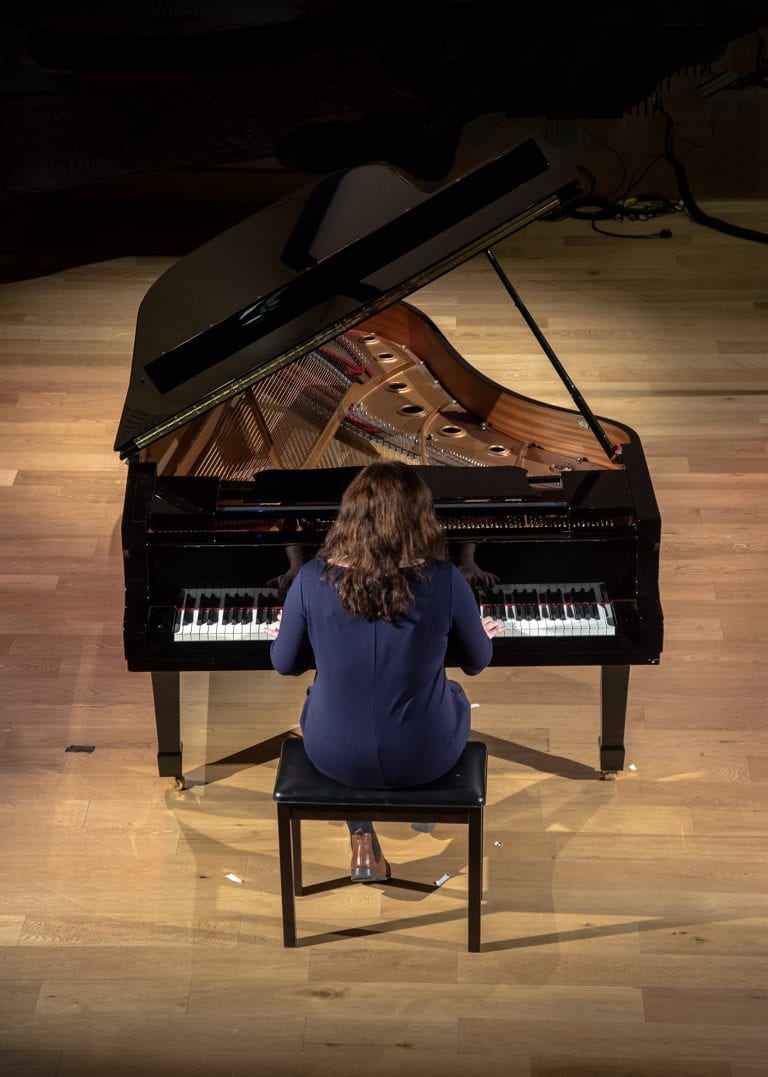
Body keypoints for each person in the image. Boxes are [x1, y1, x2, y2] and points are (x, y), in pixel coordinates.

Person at [267, 461, 503, 882]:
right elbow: (477, 661)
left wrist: (296, 632)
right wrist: (476, 629)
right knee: (451, 694)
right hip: (425, 754)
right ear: (420, 518)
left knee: (321, 700)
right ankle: (424, 812)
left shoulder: (309, 578)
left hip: (334, 755)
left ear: (349, 516)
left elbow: (284, 664)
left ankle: (362, 839)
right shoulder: (445, 580)